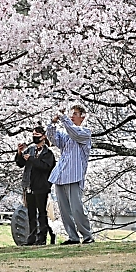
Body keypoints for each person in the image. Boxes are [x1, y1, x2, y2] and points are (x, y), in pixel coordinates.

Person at [47, 104, 94, 245]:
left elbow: (75, 133)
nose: (72, 116)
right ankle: (72, 237)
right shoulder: (66, 134)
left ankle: (87, 235)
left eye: (75, 114)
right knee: (64, 210)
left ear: (82, 117)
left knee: (77, 208)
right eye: (71, 114)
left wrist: (64, 119)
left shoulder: (85, 132)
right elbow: (52, 138)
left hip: (75, 175)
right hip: (61, 175)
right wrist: (53, 123)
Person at [15, 125, 56, 245]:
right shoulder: (30, 150)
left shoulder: (48, 153)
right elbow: (20, 163)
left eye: (37, 136)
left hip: (41, 186)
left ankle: (42, 237)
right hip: (28, 185)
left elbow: (46, 167)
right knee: (31, 212)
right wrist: (19, 152)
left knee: (41, 213)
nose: (34, 138)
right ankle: (31, 237)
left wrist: (32, 159)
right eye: (33, 135)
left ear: (43, 137)